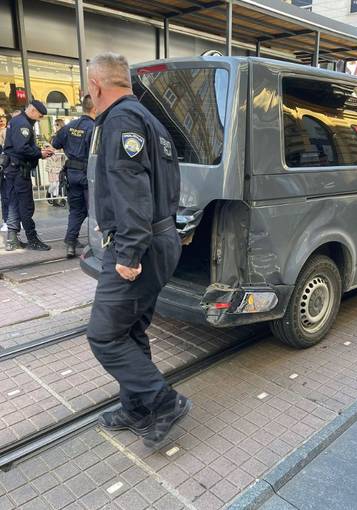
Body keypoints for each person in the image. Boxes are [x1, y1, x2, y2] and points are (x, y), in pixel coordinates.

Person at [86, 53, 188, 448]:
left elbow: (133, 192)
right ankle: (137, 409)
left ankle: (164, 403)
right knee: (129, 330)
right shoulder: (151, 120)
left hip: (138, 248)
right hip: (158, 239)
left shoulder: (120, 121)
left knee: (104, 336)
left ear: (96, 85)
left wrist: (128, 254)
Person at [3, 100, 53, 251]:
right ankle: (32, 239)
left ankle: (12, 240)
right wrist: (40, 153)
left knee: (14, 204)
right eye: (40, 115)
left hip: (13, 169)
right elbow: (22, 148)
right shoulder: (23, 124)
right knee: (25, 206)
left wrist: (38, 151)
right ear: (32, 110)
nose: (40, 119)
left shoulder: (17, 121)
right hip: (18, 170)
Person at [52, 95, 96, 258]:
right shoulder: (94, 128)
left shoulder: (69, 126)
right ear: (95, 108)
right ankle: (96, 245)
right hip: (88, 175)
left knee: (76, 210)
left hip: (71, 174)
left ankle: (71, 242)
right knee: (94, 211)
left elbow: (56, 143)